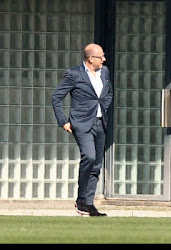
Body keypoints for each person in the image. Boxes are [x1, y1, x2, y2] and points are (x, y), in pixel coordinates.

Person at [52, 43, 113, 216]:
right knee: (89, 156)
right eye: (101, 56)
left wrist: (104, 107)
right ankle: (81, 199)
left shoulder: (105, 72)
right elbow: (56, 97)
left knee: (96, 164)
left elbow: (108, 92)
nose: (104, 59)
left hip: (100, 123)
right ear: (90, 58)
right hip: (81, 123)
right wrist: (64, 121)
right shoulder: (74, 74)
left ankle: (88, 202)